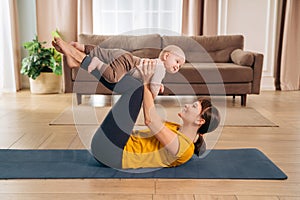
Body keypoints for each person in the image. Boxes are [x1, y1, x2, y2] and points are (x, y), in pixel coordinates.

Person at [52, 38, 220, 169]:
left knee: (137, 89)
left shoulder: (184, 148)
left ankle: (81, 58)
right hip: (114, 144)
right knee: (135, 86)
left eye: (194, 107)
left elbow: (150, 120)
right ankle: (82, 57)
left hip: (111, 153)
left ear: (200, 121)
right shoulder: (179, 131)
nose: (188, 105)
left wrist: (148, 82)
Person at [52, 37, 185, 98]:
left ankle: (79, 47)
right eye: (177, 61)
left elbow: (154, 80)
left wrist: (158, 84)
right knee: (113, 77)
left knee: (102, 52)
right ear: (166, 56)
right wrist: (155, 92)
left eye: (180, 65)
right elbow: (153, 87)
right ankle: (97, 63)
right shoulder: (161, 67)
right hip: (128, 63)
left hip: (124, 55)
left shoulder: (157, 64)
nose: (177, 66)